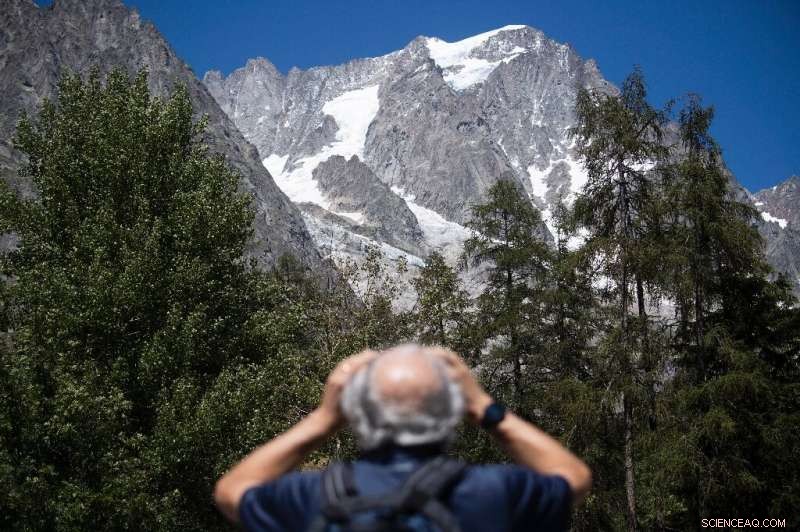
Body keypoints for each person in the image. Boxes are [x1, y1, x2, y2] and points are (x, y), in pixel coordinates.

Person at [214, 345, 592, 531]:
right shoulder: (495, 492)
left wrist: (323, 420)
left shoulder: (310, 497)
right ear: (452, 412)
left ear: (358, 413)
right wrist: (483, 406)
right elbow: (572, 476)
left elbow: (232, 490)